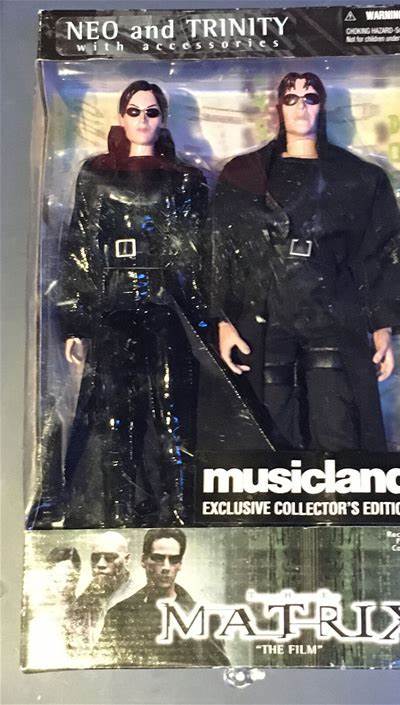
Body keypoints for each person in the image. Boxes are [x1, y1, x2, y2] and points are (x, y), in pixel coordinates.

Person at [39, 80, 208, 529]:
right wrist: (76, 320)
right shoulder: (97, 173)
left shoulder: (184, 179)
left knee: (173, 413)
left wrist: (207, 320)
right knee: (115, 417)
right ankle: (118, 514)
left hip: (166, 305)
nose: (143, 120)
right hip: (113, 305)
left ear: (163, 118)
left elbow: (196, 253)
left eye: (151, 112)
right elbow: (80, 245)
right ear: (121, 116)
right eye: (134, 111)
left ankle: (179, 513)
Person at [212, 71, 400, 452]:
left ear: (322, 106)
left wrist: (382, 324)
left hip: (330, 307)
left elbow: (381, 250)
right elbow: (223, 246)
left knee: (336, 420)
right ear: (278, 107)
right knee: (270, 419)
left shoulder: (359, 178)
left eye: (310, 98)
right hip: (266, 309)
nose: (301, 107)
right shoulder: (244, 175)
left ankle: (340, 490)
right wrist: (223, 318)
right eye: (291, 98)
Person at [97, 528, 230, 667]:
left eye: (174, 560)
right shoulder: (119, 615)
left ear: (180, 565)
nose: (166, 567)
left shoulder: (205, 619)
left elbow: (219, 673)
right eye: (159, 558)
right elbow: (102, 668)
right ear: (143, 560)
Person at [66, 532, 137, 656]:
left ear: (127, 559)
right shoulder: (82, 602)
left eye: (110, 557)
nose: (101, 564)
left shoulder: (139, 596)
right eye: (95, 558)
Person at [24, 547, 81, 669]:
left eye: (69, 579)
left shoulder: (85, 616)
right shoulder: (39, 623)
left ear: (77, 578)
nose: (63, 586)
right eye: (57, 580)